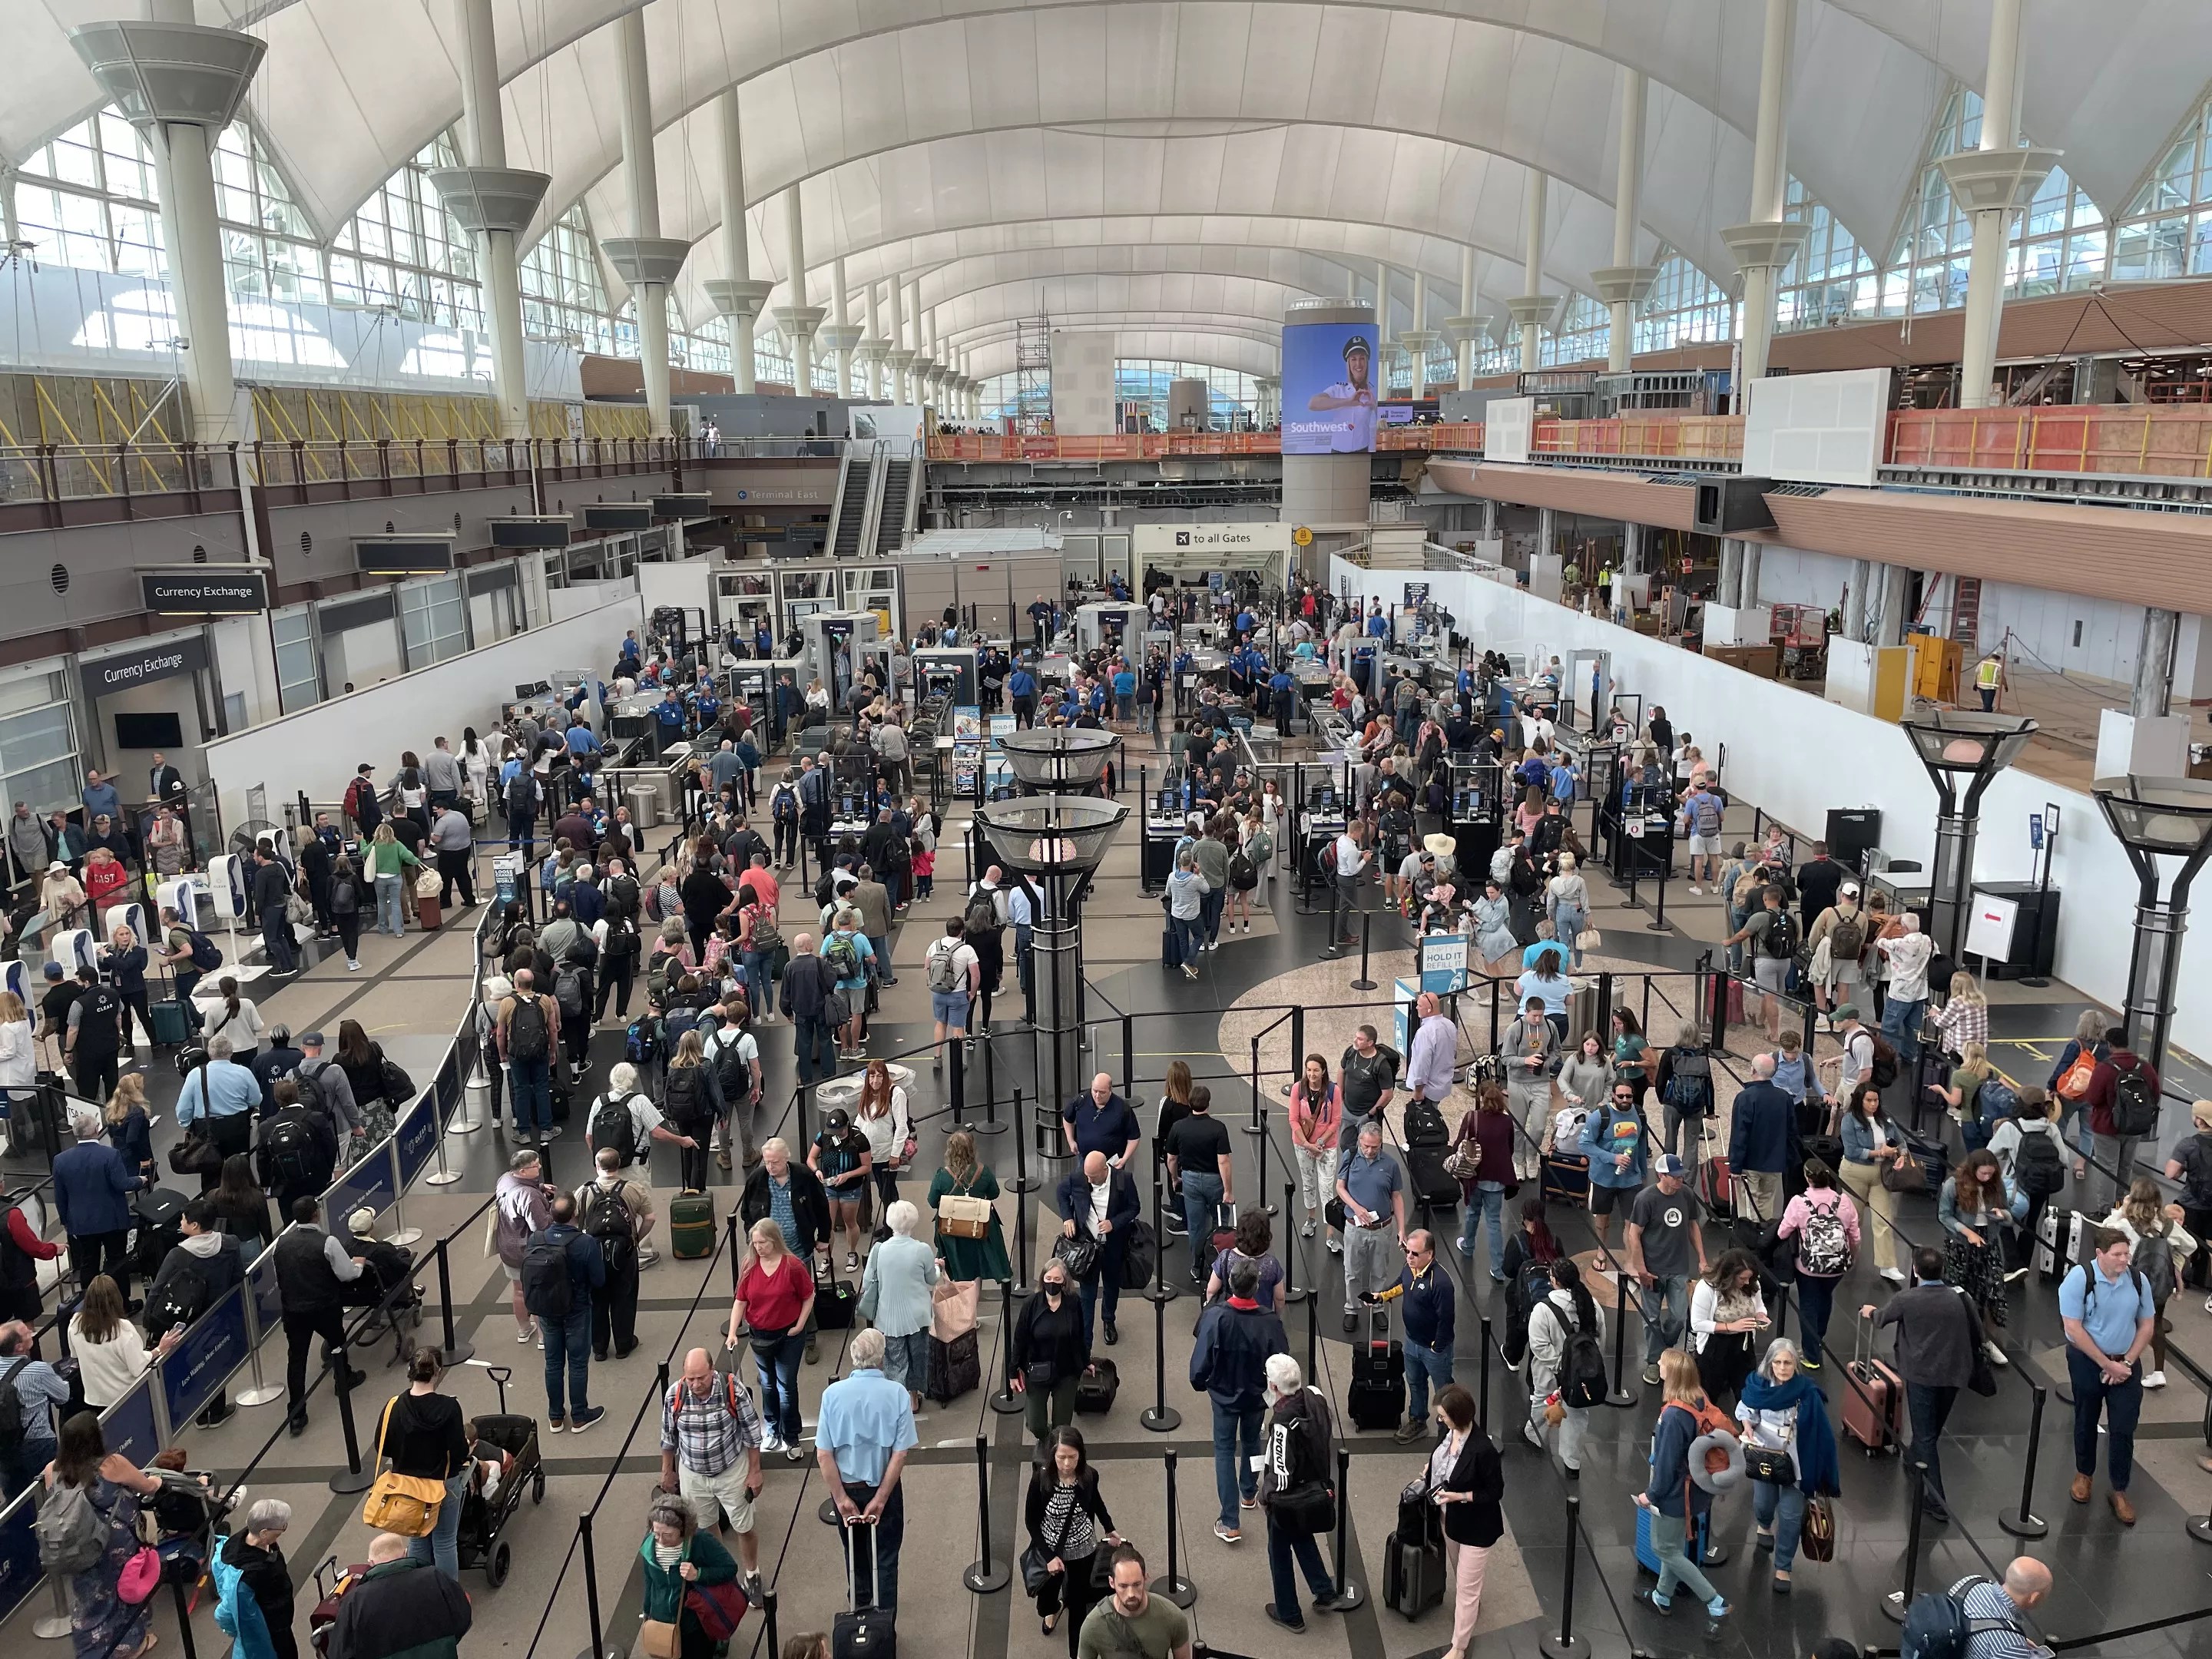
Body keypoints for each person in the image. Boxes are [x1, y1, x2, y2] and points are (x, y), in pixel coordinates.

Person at [1860, 1246, 1981, 1522]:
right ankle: (1915, 1457)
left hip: (1922, 1375)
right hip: (1954, 1373)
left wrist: (1869, 1311)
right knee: (1933, 1427)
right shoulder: (1959, 1298)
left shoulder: (1907, 1299)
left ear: (1915, 1270)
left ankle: (1937, 1500)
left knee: (1926, 1436)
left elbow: (1880, 1319)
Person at [46, 1409, 166, 1659]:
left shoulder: (52, 1470)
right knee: (125, 1590)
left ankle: (92, 1649)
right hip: (113, 1544)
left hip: (76, 1545)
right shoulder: (111, 1465)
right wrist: (157, 1481)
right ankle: (130, 1645)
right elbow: (147, 1486)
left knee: (90, 1598)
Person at [816, 1327, 919, 1614]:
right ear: (881, 1359)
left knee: (855, 1556)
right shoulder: (897, 1394)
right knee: (885, 1560)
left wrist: (840, 1499)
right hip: (882, 1487)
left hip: (847, 1490)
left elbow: (824, 1454)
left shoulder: (832, 1395)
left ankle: (859, 1622)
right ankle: (884, 1626)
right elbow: (900, 1454)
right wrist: (882, 1499)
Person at [2059, 1226, 2156, 1525]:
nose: (2124, 1260)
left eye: (2127, 1253)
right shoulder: (2079, 1279)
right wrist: (2106, 1363)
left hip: (2125, 1365)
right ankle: (2084, 1474)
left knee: (2124, 1428)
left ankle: (2120, 1489)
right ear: (2100, 1254)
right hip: (2088, 1362)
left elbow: (2147, 1325)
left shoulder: (2138, 1280)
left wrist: (2125, 1363)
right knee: (2086, 1418)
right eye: (2118, 1255)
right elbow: (2073, 1328)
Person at [1191, 1257, 1287, 1543]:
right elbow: (1282, 1359)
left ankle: (1230, 1520)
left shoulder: (1216, 1316)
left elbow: (1200, 1362)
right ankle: (1249, 1491)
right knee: (1252, 1443)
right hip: (1256, 1396)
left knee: (1223, 1451)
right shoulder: (1269, 1321)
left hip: (1222, 1396)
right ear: (1256, 1287)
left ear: (1231, 1284)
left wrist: (1200, 1381)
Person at [1735, 1338, 1841, 1595]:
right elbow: (1746, 1409)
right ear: (1770, 1363)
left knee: (1792, 1517)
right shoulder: (1757, 1385)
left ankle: (1784, 1566)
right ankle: (1764, 1524)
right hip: (1764, 1455)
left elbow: (1820, 1430)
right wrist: (1748, 1425)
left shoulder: (1807, 1392)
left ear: (1795, 1364)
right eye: (1778, 1362)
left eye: (1788, 1362)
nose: (1783, 1368)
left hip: (1796, 1460)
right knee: (1763, 1503)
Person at [1634, 1348, 1733, 1621]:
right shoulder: (1699, 1398)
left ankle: (1714, 1601)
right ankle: (1662, 1596)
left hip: (1677, 1496)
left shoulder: (1674, 1416)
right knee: (1673, 1546)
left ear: (1673, 1374)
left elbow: (1666, 1465)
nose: (1659, 1366)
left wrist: (1650, 1495)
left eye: (1663, 1364)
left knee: (1664, 1548)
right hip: (1699, 1488)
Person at [659, 1347, 766, 1596]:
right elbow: (668, 1437)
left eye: (701, 1378)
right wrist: (667, 1472)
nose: (695, 1384)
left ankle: (752, 1573)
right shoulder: (675, 1393)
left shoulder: (732, 1389)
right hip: (693, 1475)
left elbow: (752, 1433)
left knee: (744, 1526)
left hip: (731, 1471)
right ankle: (722, 1571)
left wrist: (755, 1472)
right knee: (706, 1528)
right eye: (690, 1378)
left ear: (712, 1371)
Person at [273, 1196, 369, 1435]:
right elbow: (346, 1274)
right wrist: (358, 1265)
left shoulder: (281, 1243)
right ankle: (343, 1379)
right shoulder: (327, 1242)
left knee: (296, 1360)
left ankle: (296, 1414)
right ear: (316, 1214)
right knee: (338, 1344)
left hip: (293, 1310)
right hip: (324, 1306)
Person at [374, 1346, 473, 1579]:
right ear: (437, 1372)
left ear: (410, 1371)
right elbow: (459, 1452)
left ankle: (421, 1590)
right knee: (445, 1542)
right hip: (442, 1484)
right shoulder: (449, 1407)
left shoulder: (394, 1406)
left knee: (417, 1539)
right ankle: (448, 1597)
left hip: (407, 1485)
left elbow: (382, 1446)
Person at [1025, 1426, 1121, 1652]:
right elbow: (1031, 1522)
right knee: (1046, 1599)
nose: (1067, 1464)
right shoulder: (1041, 1480)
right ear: (1052, 1456)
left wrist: (1109, 1527)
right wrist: (1049, 1557)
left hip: (1083, 1549)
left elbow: (1096, 1501)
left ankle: (1076, 1654)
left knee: (1078, 1604)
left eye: (1073, 1457)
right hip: (1051, 1550)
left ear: (1081, 1454)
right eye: (1061, 1458)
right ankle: (1052, 1609)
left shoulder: (1089, 1476)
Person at [730, 1215, 816, 1460]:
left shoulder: (792, 1265)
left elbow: (808, 1296)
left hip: (789, 1335)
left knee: (786, 1386)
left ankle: (791, 1436)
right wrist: (734, 1331)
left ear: (775, 1240)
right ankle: (772, 1430)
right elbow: (740, 1301)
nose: (759, 1248)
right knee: (767, 1385)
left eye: (763, 1243)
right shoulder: (749, 1265)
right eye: (755, 1243)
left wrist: (800, 1325)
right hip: (760, 1336)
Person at [324, 1527, 473, 1659]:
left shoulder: (355, 1601)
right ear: (405, 1554)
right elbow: (463, 1617)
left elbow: (338, 1653)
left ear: (371, 1563)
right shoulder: (435, 1577)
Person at [526, 1192, 606, 1433]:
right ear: (575, 1215)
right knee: (578, 1364)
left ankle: (555, 1417)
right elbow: (599, 1279)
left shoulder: (536, 1238)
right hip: (577, 1309)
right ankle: (580, 1415)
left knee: (553, 1363)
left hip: (547, 1309)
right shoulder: (585, 1243)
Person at [1624, 1154, 1707, 1385]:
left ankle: (1664, 1350)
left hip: (1679, 1267)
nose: (1680, 1180)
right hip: (1653, 1268)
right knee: (1651, 1317)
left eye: (1681, 1176)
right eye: (1675, 1176)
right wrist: (1641, 1268)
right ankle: (1654, 1361)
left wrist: (1701, 1257)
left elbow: (1693, 1226)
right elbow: (1634, 1233)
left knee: (1679, 1316)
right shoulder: (1645, 1199)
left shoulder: (1686, 1194)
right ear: (1661, 1175)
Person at [1776, 1161, 1859, 1369]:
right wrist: (1851, 1259)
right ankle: (1818, 1337)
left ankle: (1812, 1356)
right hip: (1837, 1267)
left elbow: (1782, 1232)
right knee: (1825, 1299)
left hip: (1808, 1267)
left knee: (1808, 1306)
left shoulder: (1799, 1202)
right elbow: (1855, 1236)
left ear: (1808, 1178)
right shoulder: (1845, 1201)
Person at [1523, 1257, 1601, 1474]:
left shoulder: (1543, 1309)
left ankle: (1534, 1437)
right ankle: (1572, 1463)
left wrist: (1561, 1366)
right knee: (1576, 1416)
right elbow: (1598, 1340)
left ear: (1555, 1281)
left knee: (1542, 1402)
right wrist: (1580, 1367)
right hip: (1582, 1377)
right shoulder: (1592, 1305)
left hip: (1549, 1374)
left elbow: (1539, 1346)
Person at [1055, 1151, 1139, 1348]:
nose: (1089, 1180)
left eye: (1093, 1177)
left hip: (1113, 1245)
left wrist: (1114, 1223)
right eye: (1087, 1176)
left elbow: (1134, 1207)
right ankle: (1085, 1338)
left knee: (1111, 1284)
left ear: (1105, 1169)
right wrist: (1067, 1217)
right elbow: (1061, 1192)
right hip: (1087, 1246)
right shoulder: (1078, 1178)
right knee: (1087, 1293)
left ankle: (1109, 1320)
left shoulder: (1124, 1180)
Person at [55, 1105, 139, 1300]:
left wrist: (66, 1221)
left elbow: (60, 1196)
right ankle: (122, 1303)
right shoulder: (110, 1155)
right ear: (96, 1130)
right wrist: (139, 1180)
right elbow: (121, 1184)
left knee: (88, 1263)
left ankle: (90, 1303)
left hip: (81, 1223)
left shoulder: (61, 1160)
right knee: (117, 1261)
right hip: (112, 1220)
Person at [860, 1200, 939, 1409]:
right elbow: (932, 1279)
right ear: (912, 1222)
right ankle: (914, 1398)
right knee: (918, 1356)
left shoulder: (879, 1250)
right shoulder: (922, 1249)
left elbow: (868, 1282)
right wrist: (939, 1268)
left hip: (888, 1317)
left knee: (895, 1361)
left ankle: (898, 1400)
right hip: (918, 1315)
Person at [577, 1147, 653, 1359]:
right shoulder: (633, 1189)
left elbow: (575, 1219)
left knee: (596, 1299)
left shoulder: (584, 1192)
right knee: (625, 1297)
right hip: (625, 1252)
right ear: (618, 1165)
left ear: (596, 1166)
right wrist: (636, 1238)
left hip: (592, 1255)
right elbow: (650, 1217)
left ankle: (599, 1348)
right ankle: (624, 1344)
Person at [1939, 1148, 2012, 1365]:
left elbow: (2008, 1215)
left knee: (1992, 1291)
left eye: (1990, 1174)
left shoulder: (1996, 1186)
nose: (1987, 1178)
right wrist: (1967, 1232)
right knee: (1959, 1291)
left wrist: (2002, 1215)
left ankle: (1988, 1342)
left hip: (1989, 1242)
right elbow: (1944, 1216)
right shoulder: (1953, 1185)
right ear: (1973, 1170)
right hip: (1960, 1244)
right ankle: (1956, 1342)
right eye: (1983, 1174)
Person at [1333, 1121, 1405, 1335]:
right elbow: (1340, 1187)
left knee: (1379, 1272)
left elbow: (1397, 1197)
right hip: (1355, 1227)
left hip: (1382, 1229)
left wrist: (1402, 1229)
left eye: (1374, 1147)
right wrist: (1356, 1208)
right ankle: (1352, 1309)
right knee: (1352, 1272)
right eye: (1366, 1146)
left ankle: (1377, 1306)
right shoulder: (1350, 1157)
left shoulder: (1391, 1165)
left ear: (1381, 1143)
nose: (1369, 1150)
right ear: (1359, 1142)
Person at [1013, 1257, 1092, 1442]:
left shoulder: (1073, 1303)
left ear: (1065, 1281)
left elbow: (1080, 1334)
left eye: (1057, 1280)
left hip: (1066, 1372)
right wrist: (1012, 1372)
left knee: (1062, 1427)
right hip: (1038, 1372)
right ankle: (1048, 1439)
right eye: (1048, 1279)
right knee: (1036, 1425)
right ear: (1043, 1279)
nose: (1052, 1283)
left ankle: (1056, 1450)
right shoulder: (1031, 1304)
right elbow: (1019, 1340)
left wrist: (1086, 1361)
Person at [70, 1273, 175, 1410]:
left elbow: (75, 1355)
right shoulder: (123, 1330)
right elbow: (137, 1367)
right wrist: (160, 1349)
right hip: (125, 1399)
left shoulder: (75, 1323)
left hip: (94, 1398)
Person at [1839, 1081, 1909, 1285]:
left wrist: (1901, 1154)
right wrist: (1882, 1152)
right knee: (1853, 1220)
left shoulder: (1885, 1118)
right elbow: (1852, 1151)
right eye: (1869, 1100)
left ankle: (1888, 1266)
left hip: (1881, 1174)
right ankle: (1843, 1257)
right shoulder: (1849, 1121)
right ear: (1860, 1100)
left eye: (1876, 1100)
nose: (1873, 1104)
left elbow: (1900, 1141)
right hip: (1855, 1172)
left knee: (1884, 1219)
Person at [2085, 1026, 2159, 1214]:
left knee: (2107, 1168)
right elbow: (2155, 1094)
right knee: (2126, 1167)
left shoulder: (2105, 1068)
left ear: (2110, 1044)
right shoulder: (2144, 1067)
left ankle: (2105, 1211)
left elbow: (2093, 1098)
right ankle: (2121, 1208)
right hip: (2134, 1127)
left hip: (2107, 1127)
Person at [213, 1496, 297, 1659]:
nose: (283, 1531)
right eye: (281, 1529)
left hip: (280, 1624)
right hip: (271, 1634)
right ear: (264, 1533)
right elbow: (224, 1613)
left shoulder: (249, 1542)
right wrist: (244, 1633)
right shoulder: (248, 1577)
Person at [1164, 1086, 1233, 1284]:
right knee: (1220, 1223)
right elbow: (1224, 1161)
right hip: (1214, 1181)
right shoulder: (1218, 1128)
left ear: (1189, 1102)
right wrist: (1228, 1190)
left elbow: (1171, 1158)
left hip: (1190, 1180)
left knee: (1195, 1227)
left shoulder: (1178, 1127)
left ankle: (1196, 1266)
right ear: (1208, 1102)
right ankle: (1220, 1265)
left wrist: (1175, 1178)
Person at [1077, 1544, 1193, 1659]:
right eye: (1123, 1586)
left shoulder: (1173, 1617)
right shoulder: (1093, 1625)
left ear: (1145, 1578)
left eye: (1137, 1584)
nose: (1131, 1594)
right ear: (1112, 1583)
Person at [1578, 1081, 1646, 1270]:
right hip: (1604, 1178)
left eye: (1629, 1097)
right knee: (1602, 1219)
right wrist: (1612, 1158)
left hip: (1631, 1179)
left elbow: (1641, 1143)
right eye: (1621, 1096)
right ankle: (1601, 1250)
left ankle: (1631, 1259)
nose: (1625, 1100)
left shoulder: (1639, 1114)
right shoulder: (1600, 1116)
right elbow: (1584, 1144)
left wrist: (1643, 1172)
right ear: (1613, 1095)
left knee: (1631, 1222)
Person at [1690, 1248, 1768, 1409]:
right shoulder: (1706, 1288)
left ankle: (1748, 1428)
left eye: (1750, 1278)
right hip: (1715, 1346)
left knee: (1746, 1391)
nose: (1747, 1282)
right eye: (1742, 1278)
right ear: (1728, 1275)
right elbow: (1697, 1324)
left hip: (1744, 1345)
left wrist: (1761, 1316)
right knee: (1709, 1393)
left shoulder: (1752, 1284)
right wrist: (1730, 1327)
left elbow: (1760, 1305)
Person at [1728, 1052, 1800, 1225]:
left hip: (1750, 1164)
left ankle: (1749, 1241)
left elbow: (1740, 1135)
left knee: (1748, 1205)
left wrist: (1735, 1166)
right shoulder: (1784, 1098)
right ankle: (1763, 1238)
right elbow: (1792, 1132)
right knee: (1767, 1205)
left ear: (1752, 1070)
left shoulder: (1745, 1098)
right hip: (1774, 1164)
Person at [495, 968, 561, 1144]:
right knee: (541, 1087)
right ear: (532, 983)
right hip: (540, 1051)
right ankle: (547, 1129)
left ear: (516, 984)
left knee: (521, 1090)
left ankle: (523, 1132)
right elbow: (553, 1029)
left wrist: (503, 1054)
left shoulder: (507, 1002)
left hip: (517, 1053)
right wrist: (553, 1051)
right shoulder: (544, 1000)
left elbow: (500, 1033)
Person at [1286, 1055, 1342, 1243]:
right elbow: (1293, 1119)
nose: (1312, 1074)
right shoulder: (1298, 1089)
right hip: (1303, 1145)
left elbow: (1335, 1122)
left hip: (1326, 1147)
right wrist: (1307, 1144)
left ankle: (1330, 1233)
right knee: (1308, 1183)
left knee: (1326, 1188)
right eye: (1309, 1070)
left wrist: (1319, 1144)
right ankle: (1311, 1218)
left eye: (1316, 1070)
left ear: (1324, 1071)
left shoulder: (1334, 1091)